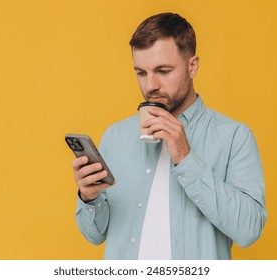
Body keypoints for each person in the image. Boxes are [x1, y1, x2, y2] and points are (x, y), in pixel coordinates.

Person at [71, 12, 266, 259]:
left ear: (192, 66)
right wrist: (89, 197)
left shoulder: (235, 137)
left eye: (163, 71)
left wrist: (186, 158)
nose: (151, 85)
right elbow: (95, 235)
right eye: (141, 73)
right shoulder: (115, 136)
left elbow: (249, 230)